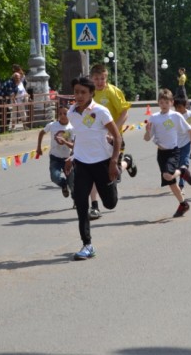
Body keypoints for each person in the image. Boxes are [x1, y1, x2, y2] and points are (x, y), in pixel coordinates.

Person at [64, 76, 121, 260]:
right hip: (82, 164)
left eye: (83, 92)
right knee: (81, 203)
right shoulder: (72, 112)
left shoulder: (101, 111)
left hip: (102, 162)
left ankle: (124, 163)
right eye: (76, 92)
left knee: (110, 203)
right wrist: (72, 156)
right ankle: (87, 245)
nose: (79, 96)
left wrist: (114, 161)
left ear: (91, 94)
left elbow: (117, 137)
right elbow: (80, 136)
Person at [89, 63, 137, 219]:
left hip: (113, 138)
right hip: (95, 139)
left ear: (106, 77)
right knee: (93, 172)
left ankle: (127, 162)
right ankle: (94, 206)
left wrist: (113, 130)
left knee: (113, 174)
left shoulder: (113, 92)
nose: (99, 82)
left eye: (102, 78)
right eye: (96, 79)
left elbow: (125, 113)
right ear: (91, 79)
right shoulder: (90, 93)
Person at [143, 89, 191, 218]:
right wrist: (147, 131)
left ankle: (183, 171)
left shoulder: (176, 116)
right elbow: (147, 138)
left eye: (166, 102)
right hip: (161, 154)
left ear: (171, 102)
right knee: (171, 183)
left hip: (173, 151)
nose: (164, 104)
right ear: (158, 103)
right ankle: (183, 204)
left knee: (168, 175)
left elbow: (189, 130)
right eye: (161, 102)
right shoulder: (154, 118)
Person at [36, 104, 75, 199]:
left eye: (65, 113)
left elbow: (74, 146)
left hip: (68, 159)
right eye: (60, 113)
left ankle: (76, 200)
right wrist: (39, 147)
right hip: (55, 157)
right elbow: (42, 132)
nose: (62, 115)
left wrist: (65, 142)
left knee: (72, 182)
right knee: (54, 177)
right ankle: (63, 184)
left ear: (69, 114)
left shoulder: (72, 128)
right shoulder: (52, 125)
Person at [173, 97, 191, 192]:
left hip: (186, 143)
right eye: (176, 107)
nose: (178, 109)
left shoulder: (190, 115)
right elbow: (166, 127)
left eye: (180, 107)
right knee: (176, 166)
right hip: (174, 144)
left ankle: (181, 185)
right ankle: (179, 181)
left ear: (185, 106)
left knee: (183, 164)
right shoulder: (173, 116)